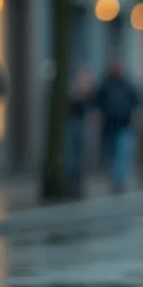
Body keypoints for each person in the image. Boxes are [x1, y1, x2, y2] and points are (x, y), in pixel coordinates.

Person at [95, 59, 140, 193]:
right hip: (109, 126)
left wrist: (137, 116)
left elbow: (136, 102)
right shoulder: (106, 84)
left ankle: (119, 180)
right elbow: (98, 103)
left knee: (122, 153)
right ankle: (115, 179)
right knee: (113, 154)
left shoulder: (127, 84)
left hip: (124, 124)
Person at [64, 66, 97, 196]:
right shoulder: (71, 89)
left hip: (81, 123)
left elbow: (92, 102)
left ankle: (77, 182)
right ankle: (71, 182)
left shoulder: (87, 91)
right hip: (71, 123)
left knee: (79, 154)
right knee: (71, 155)